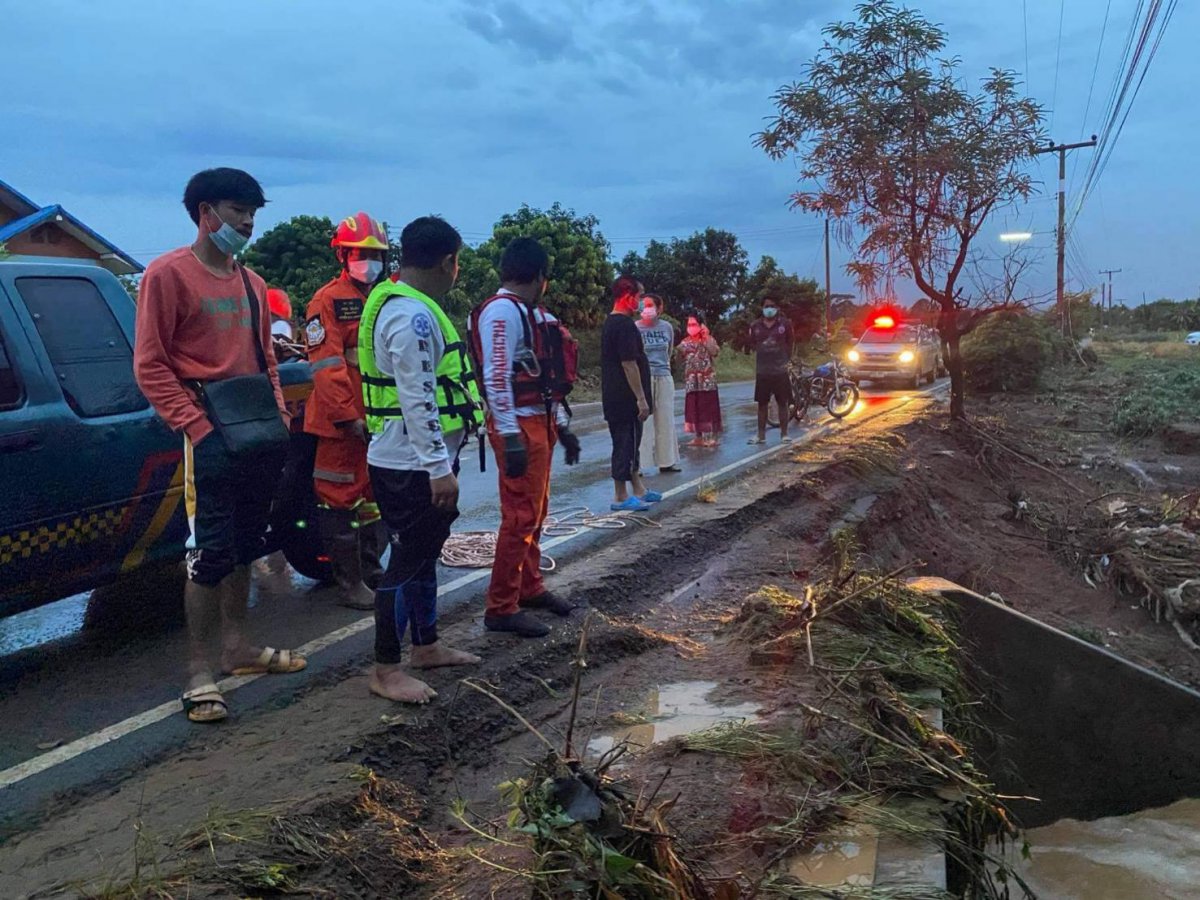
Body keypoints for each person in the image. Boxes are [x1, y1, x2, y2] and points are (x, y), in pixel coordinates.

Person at [133, 167, 306, 724]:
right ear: (207, 213)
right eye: (238, 211)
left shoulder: (253, 284)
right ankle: (199, 672)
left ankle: (239, 648)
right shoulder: (167, 275)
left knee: (246, 543)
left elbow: (267, 361)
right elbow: (151, 365)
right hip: (207, 433)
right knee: (207, 552)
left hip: (256, 430)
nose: (248, 222)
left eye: (254, 212)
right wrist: (195, 425)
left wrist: (278, 411)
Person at [359, 215, 483, 704]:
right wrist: (438, 468)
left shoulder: (400, 305)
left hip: (414, 459)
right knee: (405, 563)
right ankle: (386, 668)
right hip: (409, 465)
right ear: (450, 261)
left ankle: (426, 645)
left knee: (422, 556)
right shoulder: (409, 316)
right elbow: (417, 397)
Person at [472, 237, 581, 639]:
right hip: (518, 424)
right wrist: (511, 435)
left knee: (536, 513)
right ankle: (500, 606)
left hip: (540, 421)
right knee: (519, 517)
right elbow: (496, 377)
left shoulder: (527, 312)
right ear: (539, 277)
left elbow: (540, 376)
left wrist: (562, 429)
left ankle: (529, 587)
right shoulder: (502, 312)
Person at [303, 213, 390, 611]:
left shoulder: (385, 296)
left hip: (377, 417)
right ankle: (350, 583)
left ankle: (372, 574)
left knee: (372, 498)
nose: (368, 260)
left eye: (375, 253)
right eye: (360, 252)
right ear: (343, 254)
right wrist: (349, 417)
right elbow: (328, 366)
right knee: (339, 499)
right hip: (341, 423)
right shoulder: (327, 301)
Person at [601, 275, 660, 511]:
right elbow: (629, 364)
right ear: (627, 296)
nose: (641, 302)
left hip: (620, 397)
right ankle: (620, 496)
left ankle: (638, 488)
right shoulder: (623, 325)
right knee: (624, 444)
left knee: (633, 443)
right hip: (624, 398)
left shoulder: (614, 323)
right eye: (638, 296)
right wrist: (641, 398)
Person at [635, 293, 681, 473]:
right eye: (643, 305)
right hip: (643, 377)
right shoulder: (635, 328)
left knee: (665, 419)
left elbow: (668, 352)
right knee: (643, 422)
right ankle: (639, 464)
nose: (645, 309)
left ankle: (667, 462)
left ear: (659, 308)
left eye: (649, 305)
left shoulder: (667, 327)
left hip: (663, 376)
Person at [748, 297, 795, 445]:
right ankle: (761, 435)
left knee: (783, 403)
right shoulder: (755, 326)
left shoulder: (785, 325)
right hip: (763, 371)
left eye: (772, 306)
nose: (769, 309)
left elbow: (790, 342)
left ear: (777, 308)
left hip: (780, 370)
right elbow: (751, 343)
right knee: (762, 404)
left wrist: (786, 359)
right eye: (766, 306)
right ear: (762, 308)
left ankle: (784, 434)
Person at [678, 312, 722, 447]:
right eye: (689, 324)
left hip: (707, 380)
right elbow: (678, 356)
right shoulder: (685, 342)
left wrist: (705, 336)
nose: (691, 327)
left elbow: (714, 351)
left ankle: (713, 437)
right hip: (692, 381)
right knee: (694, 408)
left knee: (710, 408)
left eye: (694, 324)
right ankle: (698, 436)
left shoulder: (708, 339)